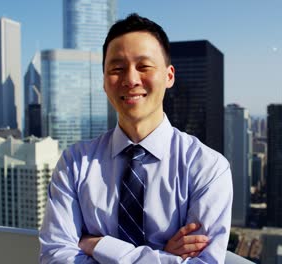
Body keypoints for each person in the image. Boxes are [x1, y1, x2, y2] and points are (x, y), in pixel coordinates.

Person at [39, 13, 233, 263]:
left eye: (144, 66)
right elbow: (55, 256)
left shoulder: (207, 169)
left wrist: (98, 245)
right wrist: (164, 257)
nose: (130, 80)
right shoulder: (75, 163)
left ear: (169, 76)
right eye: (117, 69)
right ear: (104, 82)